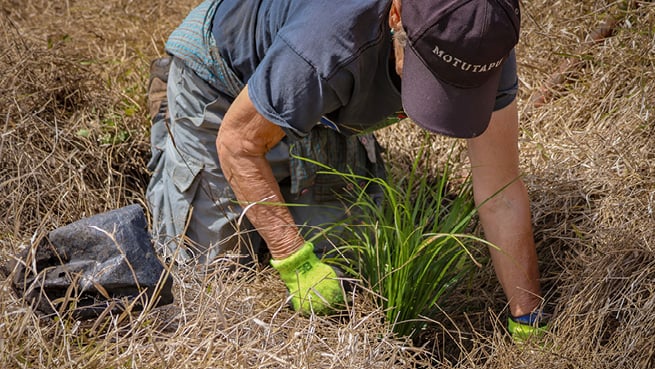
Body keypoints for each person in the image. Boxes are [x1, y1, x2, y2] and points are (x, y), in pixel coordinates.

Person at [145, 0, 547, 339]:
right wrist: (293, 259)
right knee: (212, 281)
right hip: (222, 78)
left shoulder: (484, 39)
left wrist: (528, 318)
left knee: (348, 276)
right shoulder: (331, 37)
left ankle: (294, 136)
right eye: (431, 80)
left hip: (324, 106)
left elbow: (502, 193)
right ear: (396, 17)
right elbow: (237, 142)